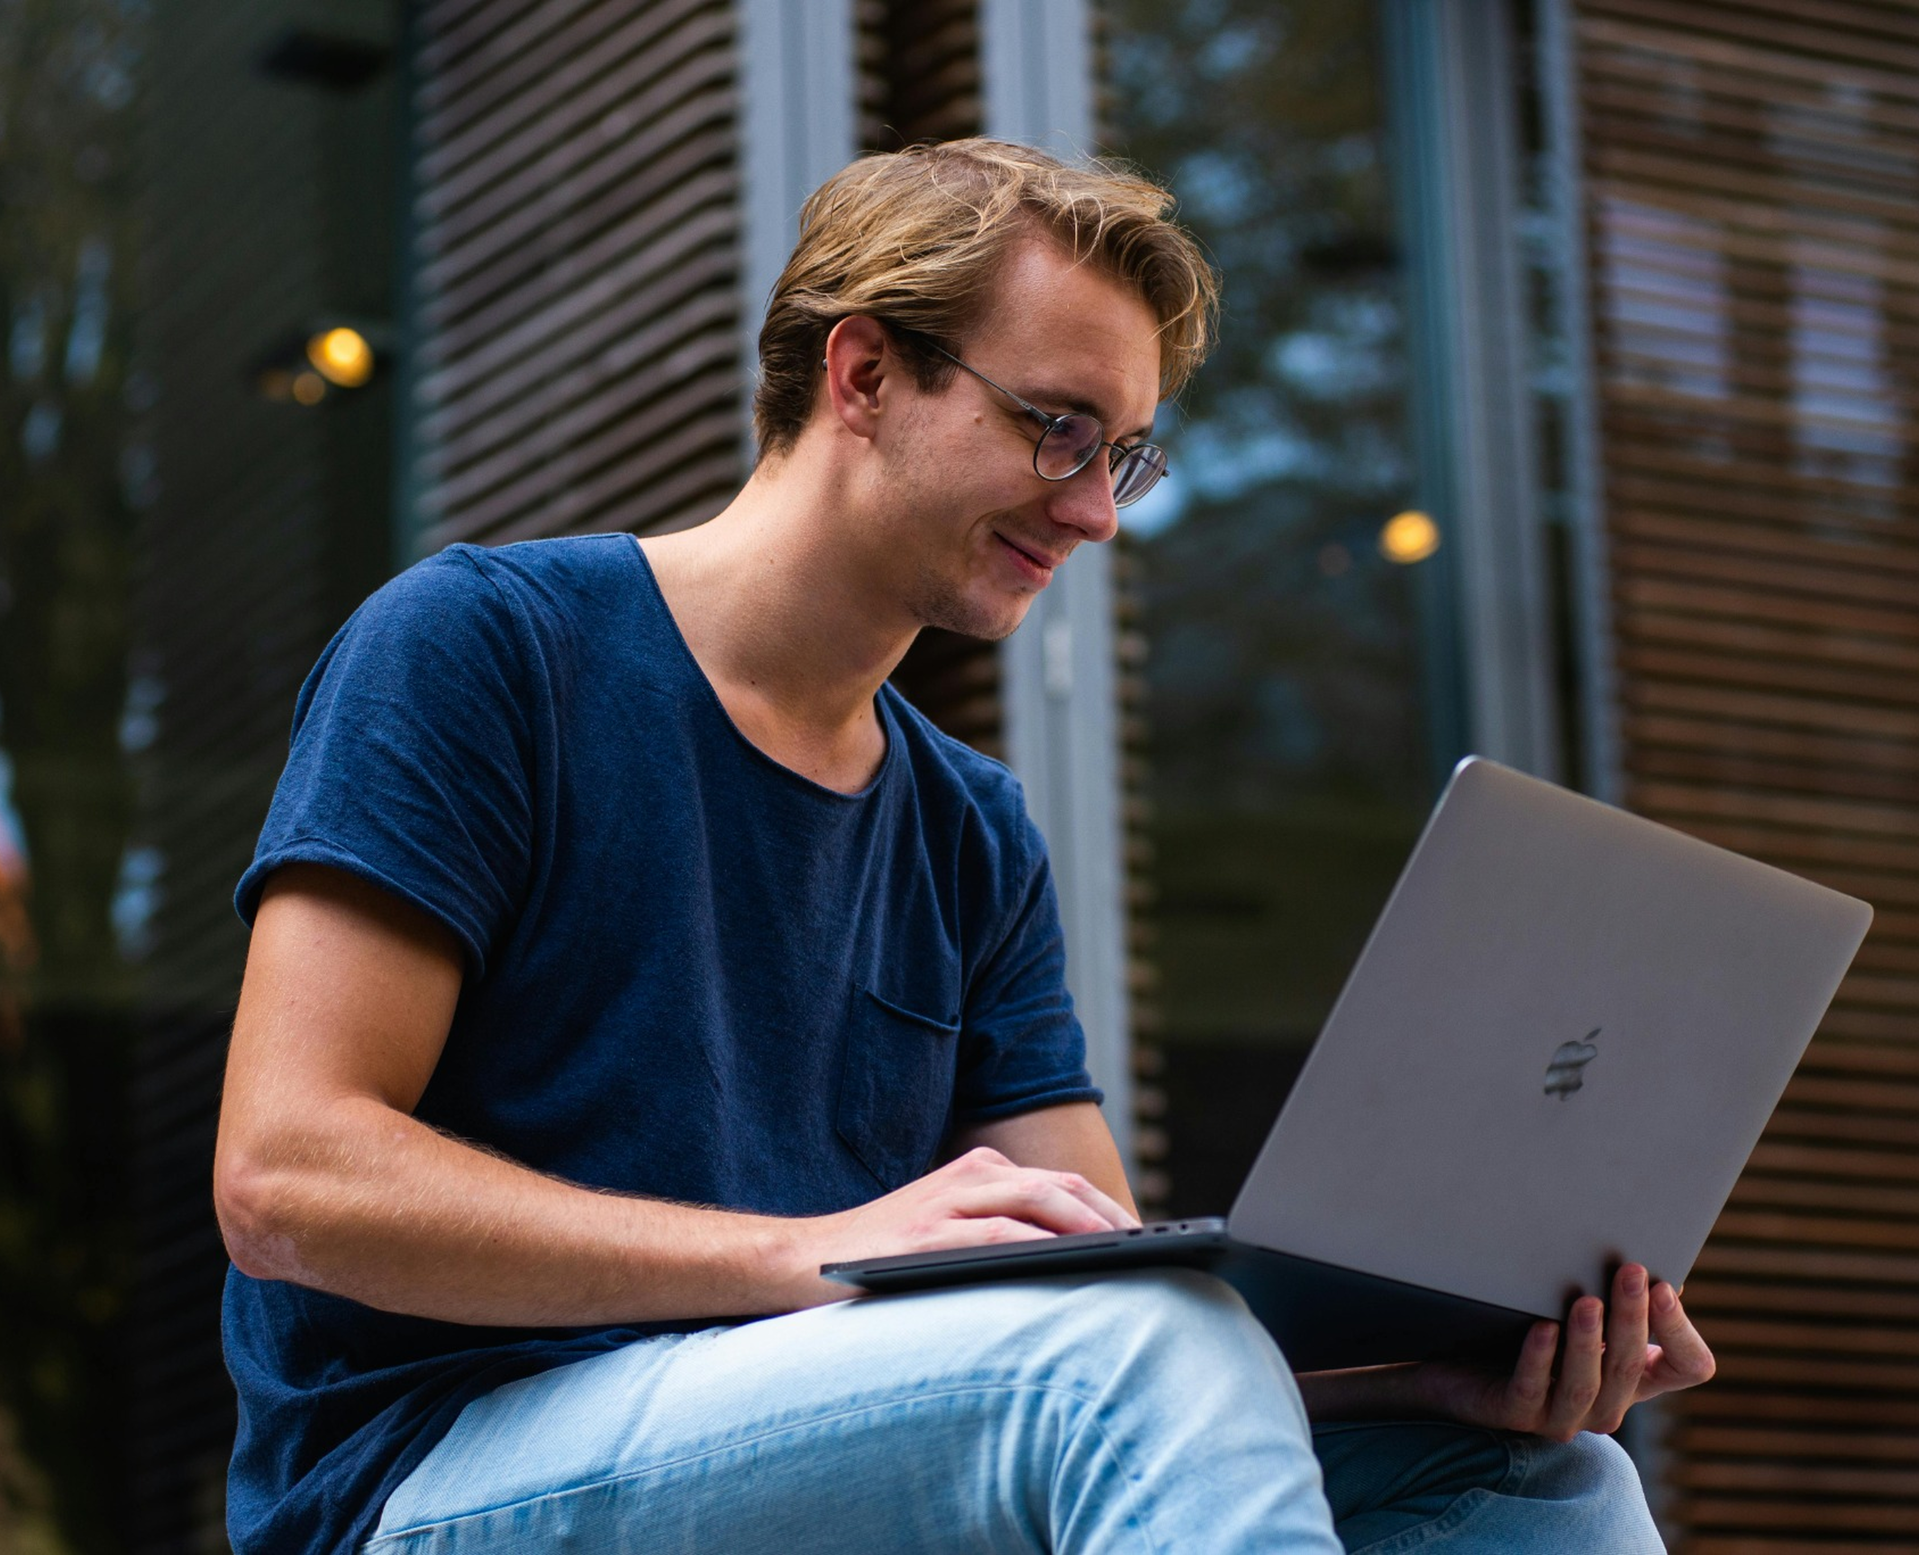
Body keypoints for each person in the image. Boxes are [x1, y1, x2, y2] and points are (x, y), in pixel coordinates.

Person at [212, 138, 1712, 1555]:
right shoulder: (485, 650)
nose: (1096, 511)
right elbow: (286, 1181)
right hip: (433, 1472)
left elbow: (1112, 1300)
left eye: (1125, 456)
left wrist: (1413, 1376)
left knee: (1538, 1479)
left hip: (816, 1445)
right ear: (863, 374)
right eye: (1058, 428)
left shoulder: (968, 827)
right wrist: (812, 1252)